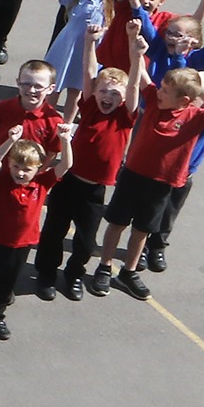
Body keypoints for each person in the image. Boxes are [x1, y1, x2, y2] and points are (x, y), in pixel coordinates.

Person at [93, 60, 204, 298]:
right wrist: (136, 47)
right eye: (161, 87)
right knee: (116, 224)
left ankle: (128, 272)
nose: (158, 91)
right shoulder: (154, 102)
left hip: (161, 185)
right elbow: (141, 75)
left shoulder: (197, 117)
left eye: (165, 90)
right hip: (132, 177)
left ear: (184, 100)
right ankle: (104, 265)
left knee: (142, 230)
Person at [39, 66, 134, 299]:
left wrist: (137, 55)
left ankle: (74, 274)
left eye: (115, 94)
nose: (108, 97)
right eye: (103, 91)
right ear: (94, 93)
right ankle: (46, 273)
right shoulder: (90, 107)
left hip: (94, 190)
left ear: (123, 99)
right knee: (53, 231)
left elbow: (133, 88)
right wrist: (91, 42)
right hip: (68, 181)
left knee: (86, 241)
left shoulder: (124, 118)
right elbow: (89, 72)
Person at [0, 131, 68, 340]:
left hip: (22, 244)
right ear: (10, 164)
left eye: (27, 169)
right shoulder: (3, 179)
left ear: (38, 169)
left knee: (7, 282)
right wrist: (10, 141)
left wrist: (65, 141)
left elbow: (65, 165)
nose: (20, 173)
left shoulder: (42, 182)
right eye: (16, 167)